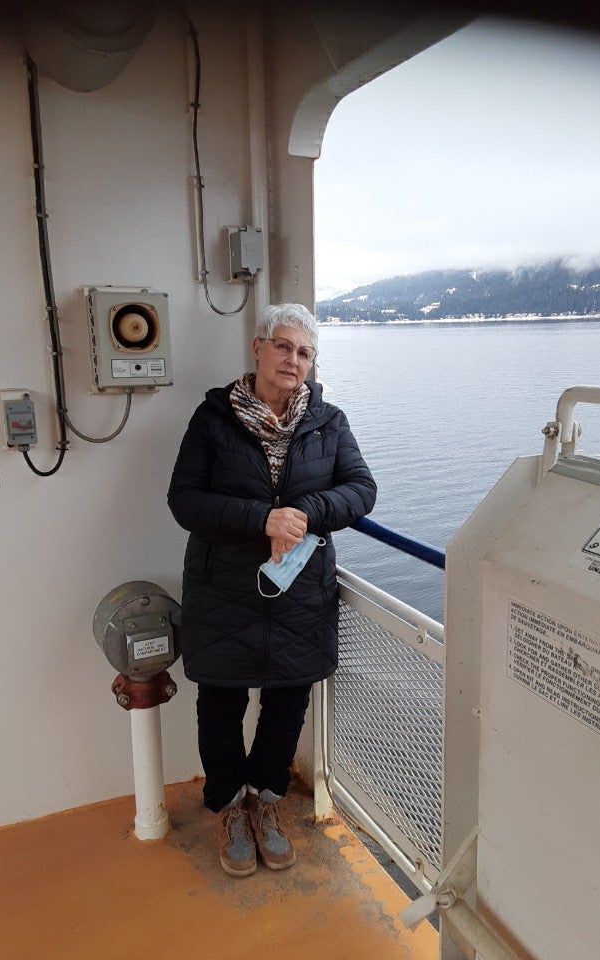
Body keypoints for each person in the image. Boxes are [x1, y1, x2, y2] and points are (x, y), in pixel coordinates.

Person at [167, 302, 376, 877]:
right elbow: (184, 499)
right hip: (223, 587)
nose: (293, 359)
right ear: (258, 348)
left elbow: (362, 490)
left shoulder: (328, 422)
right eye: (282, 346)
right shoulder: (214, 418)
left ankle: (266, 800)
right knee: (221, 703)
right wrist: (262, 519)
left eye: (304, 352)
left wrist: (306, 511)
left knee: (287, 700)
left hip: (300, 589)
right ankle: (229, 807)